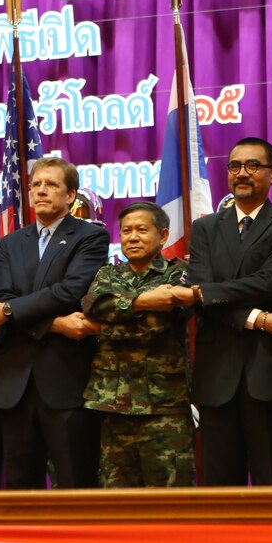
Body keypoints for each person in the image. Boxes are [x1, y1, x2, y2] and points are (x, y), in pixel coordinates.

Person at [187, 137, 272, 486]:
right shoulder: (205, 228)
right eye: (234, 166)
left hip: (270, 374)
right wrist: (258, 318)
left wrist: (209, 293)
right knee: (218, 487)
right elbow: (201, 296)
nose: (242, 174)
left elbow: (269, 283)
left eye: (252, 166)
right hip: (217, 376)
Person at [0, 157, 109, 489]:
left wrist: (10, 312)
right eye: (36, 184)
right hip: (14, 383)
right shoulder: (11, 242)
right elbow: (1, 296)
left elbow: (69, 291)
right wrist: (53, 324)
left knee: (74, 480)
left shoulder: (90, 237)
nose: (40, 191)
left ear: (70, 195)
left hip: (65, 379)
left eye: (51, 185)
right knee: (21, 486)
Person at [82, 202, 197, 488]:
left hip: (164, 405)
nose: (132, 237)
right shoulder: (108, 274)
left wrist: (109, 324)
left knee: (171, 498)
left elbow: (158, 325)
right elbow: (94, 306)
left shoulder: (179, 274)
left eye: (142, 230)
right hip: (113, 405)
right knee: (118, 500)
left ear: (163, 235)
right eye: (126, 231)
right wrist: (144, 303)